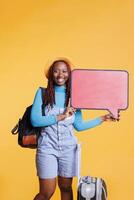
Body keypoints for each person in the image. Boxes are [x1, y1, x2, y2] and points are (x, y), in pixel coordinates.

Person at [30, 58, 118, 200]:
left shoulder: (75, 96)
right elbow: (35, 120)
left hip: (68, 149)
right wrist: (61, 116)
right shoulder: (42, 93)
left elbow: (79, 125)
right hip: (47, 148)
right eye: (56, 71)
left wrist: (102, 119)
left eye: (64, 71)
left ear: (69, 74)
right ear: (51, 74)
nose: (60, 74)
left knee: (66, 188)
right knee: (46, 192)